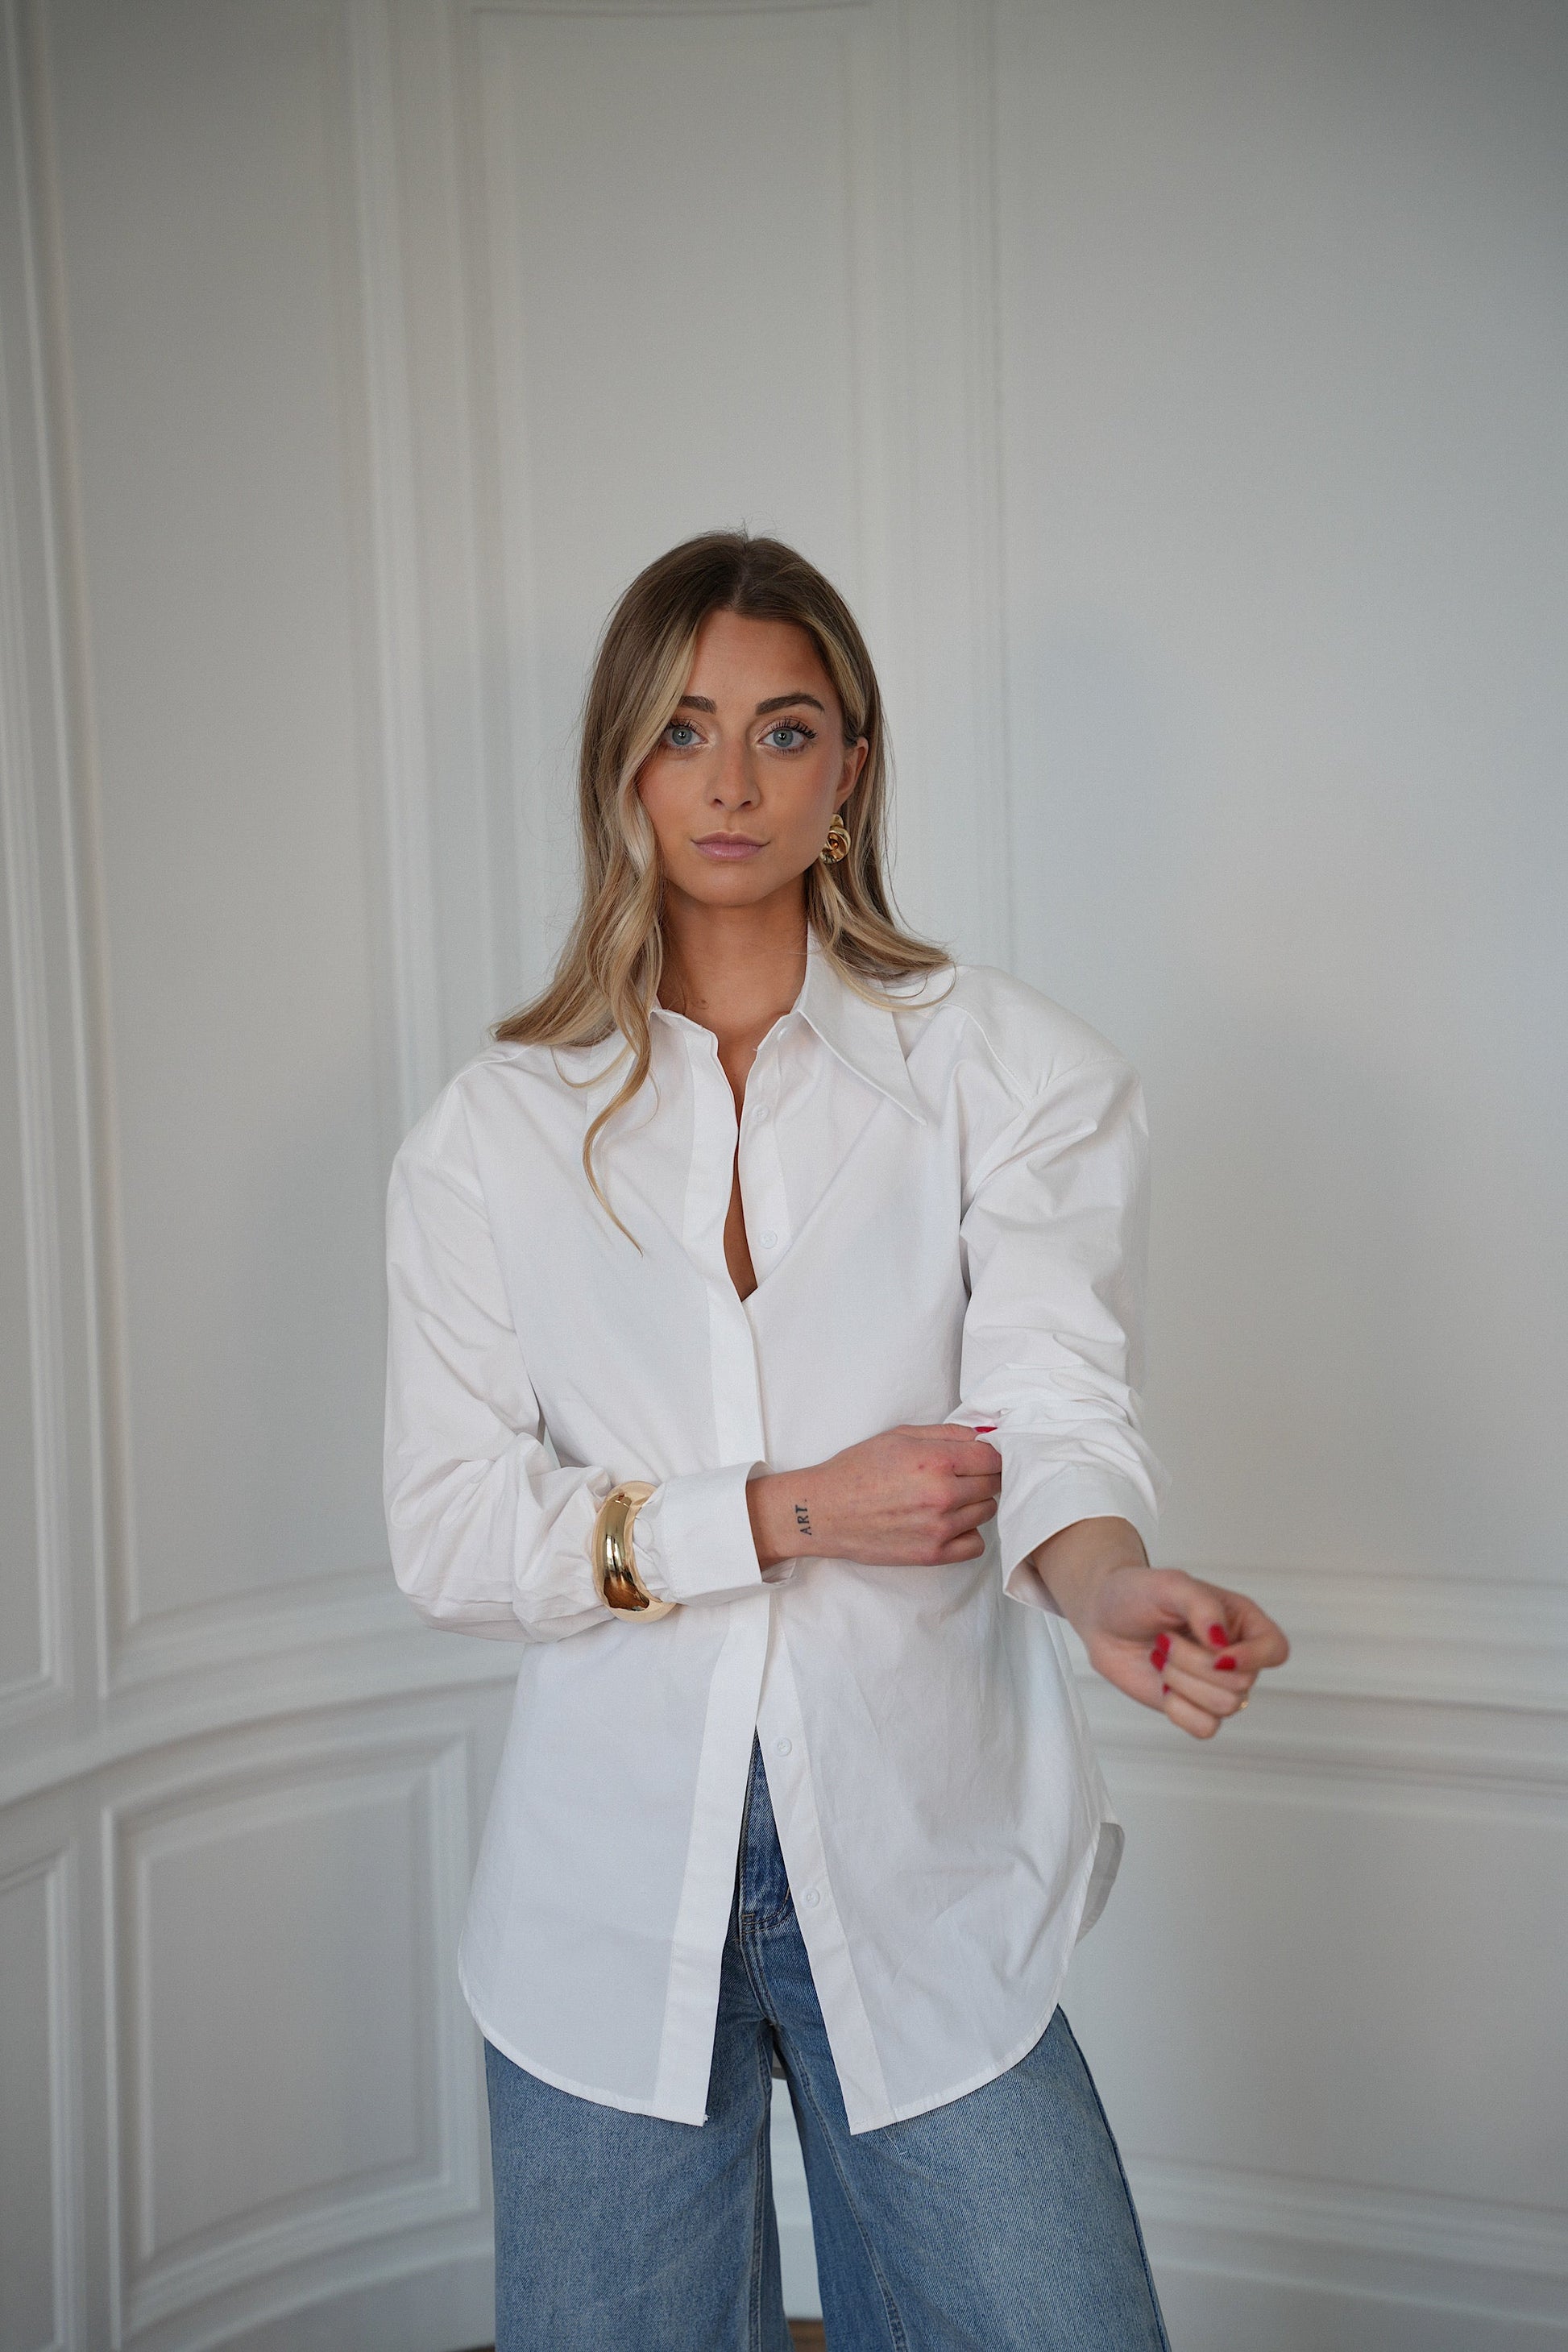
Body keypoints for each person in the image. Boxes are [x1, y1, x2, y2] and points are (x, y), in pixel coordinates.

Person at [383, 530, 1289, 2352]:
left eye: (783, 730)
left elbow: (1051, 1401)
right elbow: (453, 1531)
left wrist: (1106, 1583)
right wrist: (784, 1513)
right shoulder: (491, 1134)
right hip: (605, 1896)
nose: (731, 781)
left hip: (923, 1856)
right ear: (620, 764)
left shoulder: (1008, 1073)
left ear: (850, 767)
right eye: (683, 728)